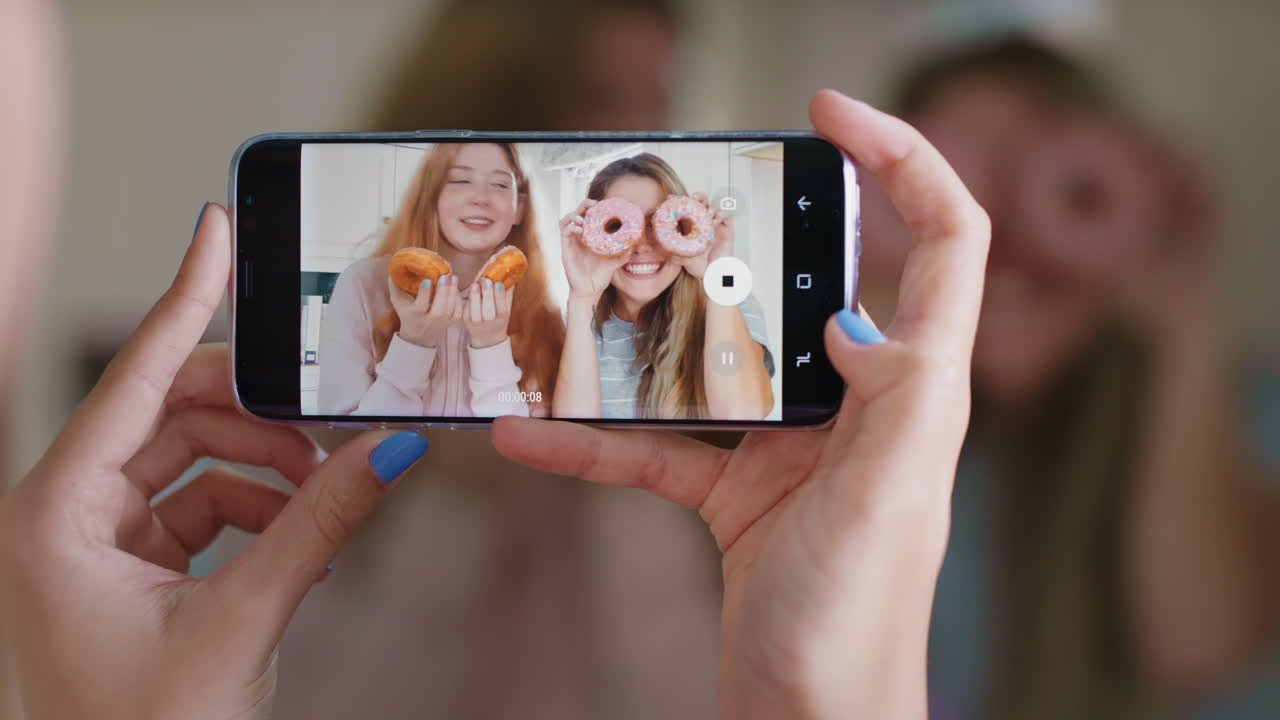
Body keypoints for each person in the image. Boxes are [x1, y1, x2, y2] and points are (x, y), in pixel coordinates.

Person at [0, 11, 993, 703]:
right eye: (593, 100)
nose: (634, 140)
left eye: (656, 103)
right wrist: (453, 504)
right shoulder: (316, 422)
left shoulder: (725, 453)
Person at [856, 35, 1280, 719]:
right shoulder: (896, 451)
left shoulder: (1241, 413)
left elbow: (1201, 644)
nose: (1002, 247)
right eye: (953, 195)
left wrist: (1190, 320)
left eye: (1067, 194)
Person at [319, 141, 564, 418]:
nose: (480, 197)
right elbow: (347, 436)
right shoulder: (363, 284)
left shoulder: (543, 309)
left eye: (499, 185)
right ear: (430, 197)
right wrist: (414, 342)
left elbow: (532, 443)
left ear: (519, 209)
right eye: (459, 180)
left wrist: (491, 345)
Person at [555, 153, 774, 420]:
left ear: (684, 227)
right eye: (619, 225)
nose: (643, 245)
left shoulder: (731, 305)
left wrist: (714, 273)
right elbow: (573, 436)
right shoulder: (572, 326)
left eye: (656, 223)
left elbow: (742, 414)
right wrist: (581, 297)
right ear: (593, 235)